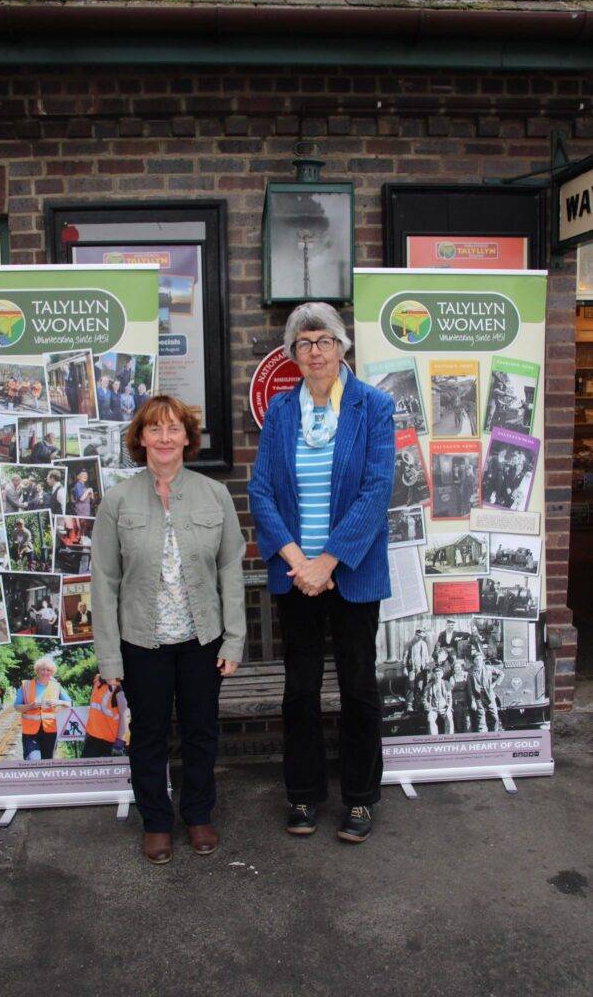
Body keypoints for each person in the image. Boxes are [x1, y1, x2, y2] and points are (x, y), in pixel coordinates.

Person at [248, 302, 395, 844]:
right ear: (292, 354)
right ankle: (304, 794)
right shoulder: (283, 412)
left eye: (324, 340)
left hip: (349, 573)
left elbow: (377, 489)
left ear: (342, 348)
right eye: (304, 343)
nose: (315, 351)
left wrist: (327, 561)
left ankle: (360, 799)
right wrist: (297, 561)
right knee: (300, 690)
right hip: (297, 575)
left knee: (358, 688)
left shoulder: (373, 406)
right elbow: (262, 490)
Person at [92, 395, 246, 865]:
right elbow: (104, 582)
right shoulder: (118, 500)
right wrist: (110, 660)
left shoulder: (213, 495)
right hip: (143, 642)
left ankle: (198, 815)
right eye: (154, 429)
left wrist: (235, 639)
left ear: (187, 437)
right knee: (150, 736)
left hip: (202, 640)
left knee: (202, 732)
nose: (164, 438)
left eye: (173, 428)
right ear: (140, 438)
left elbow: (231, 569)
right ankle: (157, 822)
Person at [14, 657, 71, 761]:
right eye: (42, 669)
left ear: (52, 672)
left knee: (47, 761)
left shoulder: (57, 686)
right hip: (30, 732)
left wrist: (58, 702)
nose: (45, 672)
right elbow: (17, 707)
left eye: (48, 670)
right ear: (37, 670)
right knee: (33, 759)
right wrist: (30, 706)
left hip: (50, 730)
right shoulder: (26, 685)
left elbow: (69, 703)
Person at [81, 674, 128, 758]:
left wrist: (119, 744)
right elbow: (94, 711)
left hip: (112, 742)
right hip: (93, 738)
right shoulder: (98, 680)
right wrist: (87, 733)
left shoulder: (119, 688)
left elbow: (125, 717)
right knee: (84, 770)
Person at [465, 652, 504, 733]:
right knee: (481, 719)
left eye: (480, 659)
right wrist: (473, 701)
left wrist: (495, 683)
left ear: (482, 660)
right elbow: (470, 689)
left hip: (489, 695)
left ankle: (495, 734)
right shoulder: (471, 673)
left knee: (495, 717)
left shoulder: (488, 668)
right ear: (474, 661)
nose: (478, 661)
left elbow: (501, 674)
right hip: (478, 697)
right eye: (476, 659)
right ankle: (482, 735)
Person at [422, 665, 454, 735]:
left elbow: (450, 698)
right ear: (433, 675)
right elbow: (424, 699)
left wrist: (448, 708)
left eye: (439, 674)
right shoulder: (429, 685)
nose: (437, 676)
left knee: (449, 717)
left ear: (442, 675)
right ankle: (434, 738)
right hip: (433, 709)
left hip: (444, 708)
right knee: (430, 718)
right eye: (436, 674)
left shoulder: (446, 684)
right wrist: (428, 707)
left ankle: (449, 737)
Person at [405, 628, 431, 713]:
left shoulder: (424, 644)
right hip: (412, 668)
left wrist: (427, 666)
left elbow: (427, 658)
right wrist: (404, 668)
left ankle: (418, 704)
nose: (420, 638)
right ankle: (409, 705)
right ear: (416, 635)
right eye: (419, 636)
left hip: (421, 669)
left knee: (420, 686)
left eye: (422, 637)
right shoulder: (410, 644)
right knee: (411, 686)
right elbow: (404, 658)